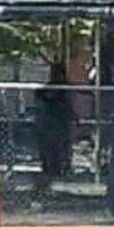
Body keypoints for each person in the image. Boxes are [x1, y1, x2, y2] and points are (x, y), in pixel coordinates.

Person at [35, 62, 72, 196]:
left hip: (59, 126)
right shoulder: (50, 89)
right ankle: (42, 187)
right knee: (49, 157)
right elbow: (39, 94)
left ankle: (50, 181)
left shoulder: (63, 88)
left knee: (58, 154)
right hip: (49, 126)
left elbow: (67, 105)